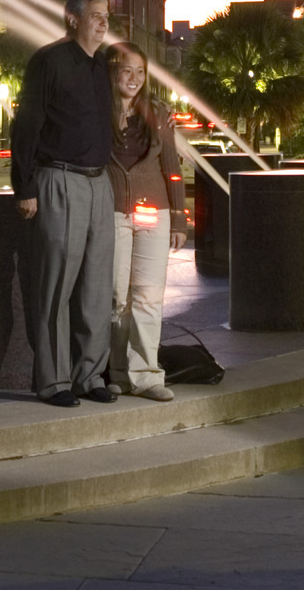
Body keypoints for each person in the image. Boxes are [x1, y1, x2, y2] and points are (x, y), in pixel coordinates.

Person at [10, 0, 117, 408]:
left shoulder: (101, 67)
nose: (103, 21)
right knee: (55, 285)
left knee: (95, 286)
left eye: (106, 14)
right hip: (60, 179)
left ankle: (90, 374)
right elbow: (27, 125)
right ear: (72, 19)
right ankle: (53, 381)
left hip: (98, 183)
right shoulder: (49, 61)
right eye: (95, 14)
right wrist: (25, 187)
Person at [105, 42, 187, 402]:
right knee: (115, 297)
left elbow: (172, 169)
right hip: (111, 214)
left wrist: (180, 219)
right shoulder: (96, 113)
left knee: (148, 296)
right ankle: (117, 374)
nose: (134, 78)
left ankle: (147, 375)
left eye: (140, 71)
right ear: (113, 72)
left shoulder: (157, 113)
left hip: (154, 214)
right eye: (127, 70)